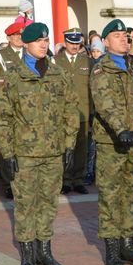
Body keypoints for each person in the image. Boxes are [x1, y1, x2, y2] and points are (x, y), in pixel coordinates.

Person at [0, 22, 79, 265]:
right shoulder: (12, 75)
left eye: (46, 40)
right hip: (25, 154)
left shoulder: (58, 73)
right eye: (39, 41)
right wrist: (6, 153)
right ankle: (28, 256)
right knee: (25, 204)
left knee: (49, 204)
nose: (44, 44)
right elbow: (2, 117)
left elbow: (70, 109)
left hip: (53, 152)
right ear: (26, 43)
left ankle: (45, 252)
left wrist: (69, 143)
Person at [90, 19, 133, 265]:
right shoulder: (102, 68)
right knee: (111, 194)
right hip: (112, 141)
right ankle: (112, 249)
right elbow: (104, 102)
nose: (125, 39)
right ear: (106, 41)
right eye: (119, 36)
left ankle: (128, 243)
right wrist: (121, 129)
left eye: (126, 35)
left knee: (132, 193)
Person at [0, 22, 25, 194]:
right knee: (7, 147)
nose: (19, 38)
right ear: (9, 38)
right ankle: (9, 183)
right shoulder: (0, 55)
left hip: (26, 111)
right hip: (7, 110)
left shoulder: (29, 53)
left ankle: (23, 180)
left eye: (21, 35)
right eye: (15, 35)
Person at [54, 28, 93, 195]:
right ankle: (64, 180)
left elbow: (93, 90)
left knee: (80, 148)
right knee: (64, 148)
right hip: (63, 113)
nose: (75, 46)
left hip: (82, 112)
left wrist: (92, 112)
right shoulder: (55, 61)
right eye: (71, 42)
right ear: (65, 43)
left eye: (77, 43)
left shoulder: (88, 62)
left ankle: (78, 179)